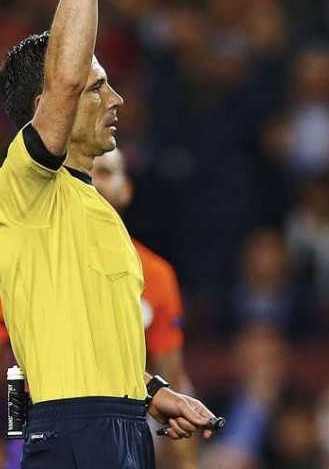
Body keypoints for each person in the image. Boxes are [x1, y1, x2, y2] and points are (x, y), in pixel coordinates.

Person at [0, 0, 218, 468]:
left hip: (122, 430)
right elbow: (64, 79)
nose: (117, 99)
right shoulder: (22, 189)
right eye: (99, 87)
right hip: (71, 433)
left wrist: (148, 394)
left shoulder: (96, 209)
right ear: (54, 103)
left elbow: (90, 336)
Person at [0, 147, 200, 469]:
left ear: (127, 189)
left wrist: (185, 458)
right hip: (39, 414)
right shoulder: (32, 260)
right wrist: (11, 432)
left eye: (106, 173)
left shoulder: (157, 276)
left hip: (125, 416)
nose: (93, 182)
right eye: (85, 173)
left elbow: (171, 371)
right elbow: (9, 358)